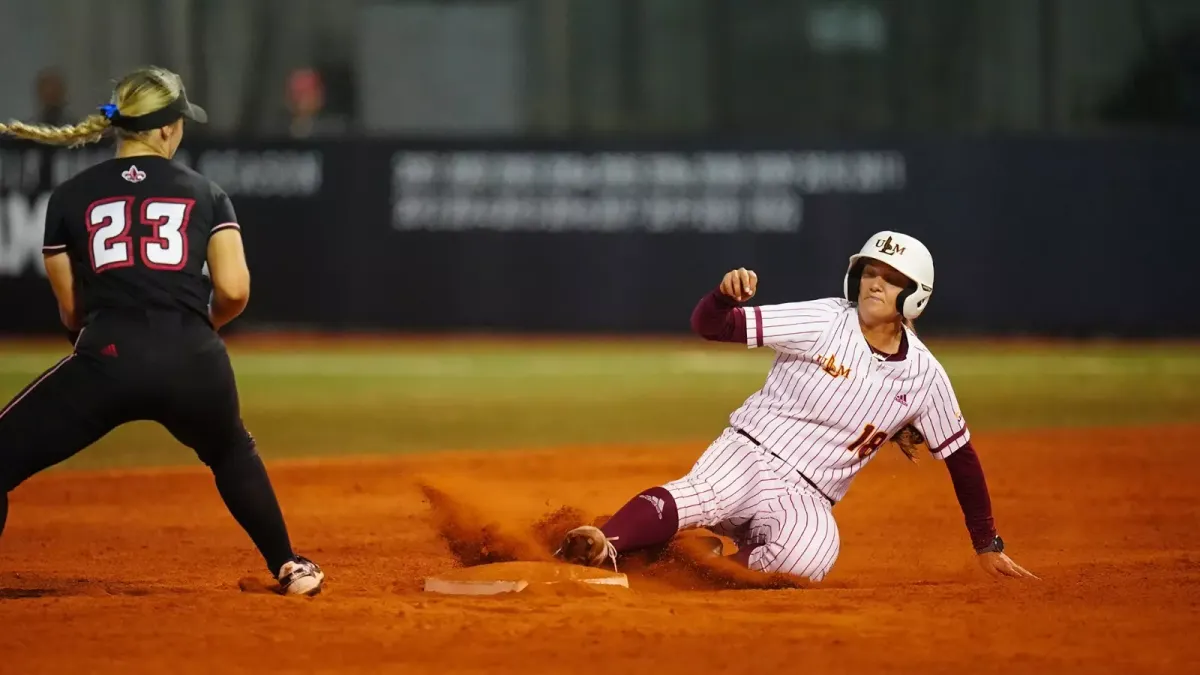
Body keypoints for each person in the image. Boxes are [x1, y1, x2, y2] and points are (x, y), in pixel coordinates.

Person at [0, 66, 324, 596]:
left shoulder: (69, 197)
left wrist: (106, 349)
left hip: (108, 353)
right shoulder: (208, 193)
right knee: (230, 452)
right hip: (193, 356)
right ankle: (290, 566)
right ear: (168, 130)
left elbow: (70, 310)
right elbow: (235, 290)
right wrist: (197, 326)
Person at [557, 231, 1036, 583]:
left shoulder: (926, 376)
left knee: (810, 558)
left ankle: (691, 567)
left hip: (807, 497)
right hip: (750, 454)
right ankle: (606, 545)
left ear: (915, 298)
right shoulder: (824, 318)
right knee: (701, 495)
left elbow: (962, 460)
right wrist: (722, 297)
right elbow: (711, 326)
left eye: (891, 280)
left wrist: (986, 544)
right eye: (870, 273)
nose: (875, 285)